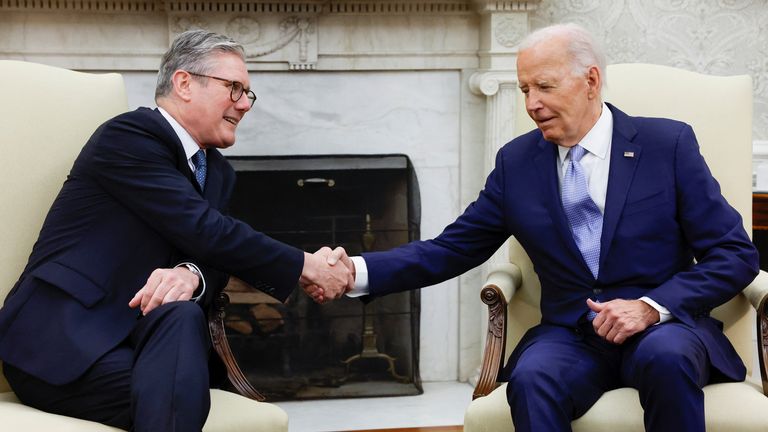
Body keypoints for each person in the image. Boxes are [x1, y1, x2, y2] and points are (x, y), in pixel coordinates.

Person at [317, 23, 760, 432]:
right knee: (533, 377)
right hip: (572, 336)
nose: (532, 104)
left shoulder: (667, 145)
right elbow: (452, 248)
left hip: (662, 329)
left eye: (545, 87)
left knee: (667, 357)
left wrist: (650, 306)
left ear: (590, 81)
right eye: (525, 89)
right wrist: (356, 272)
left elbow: (735, 255)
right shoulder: (517, 163)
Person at [0, 30, 350, 431]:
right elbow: (205, 229)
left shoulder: (217, 172)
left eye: (248, 93)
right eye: (234, 88)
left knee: (182, 325)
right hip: (62, 344)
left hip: (144, 343)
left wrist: (192, 273)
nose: (244, 104)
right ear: (184, 83)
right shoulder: (128, 137)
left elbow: (214, 254)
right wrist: (306, 265)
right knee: (176, 394)